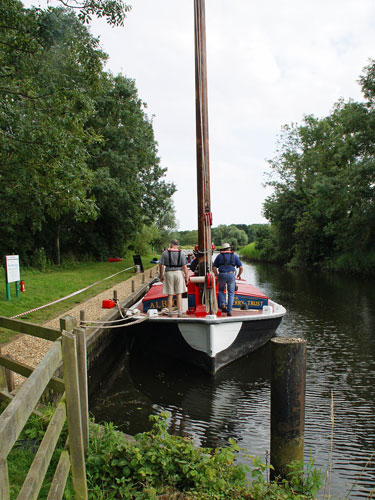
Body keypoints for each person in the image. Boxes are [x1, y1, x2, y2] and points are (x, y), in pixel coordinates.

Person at [159, 239, 189, 317]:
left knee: (170, 294)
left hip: (168, 273)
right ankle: (179, 312)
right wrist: (186, 277)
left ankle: (170, 312)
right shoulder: (181, 253)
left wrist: (161, 275)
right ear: (177, 245)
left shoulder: (165, 253)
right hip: (178, 273)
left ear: (171, 244)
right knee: (179, 294)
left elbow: (161, 265)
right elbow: (185, 266)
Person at [212, 243, 243, 316]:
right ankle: (229, 311)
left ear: (223, 249)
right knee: (231, 293)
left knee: (221, 290)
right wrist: (239, 275)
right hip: (231, 274)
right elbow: (241, 267)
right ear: (229, 248)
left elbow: (214, 267)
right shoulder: (234, 256)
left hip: (221, 274)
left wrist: (216, 274)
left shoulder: (219, 256)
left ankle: (223, 303)